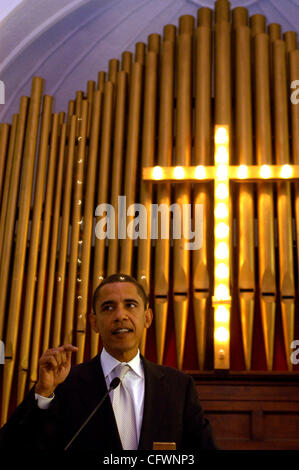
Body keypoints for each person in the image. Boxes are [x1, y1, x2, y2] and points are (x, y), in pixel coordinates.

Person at [0, 273, 216, 453]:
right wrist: (43, 393)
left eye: (130, 305)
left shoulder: (179, 387)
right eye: (108, 308)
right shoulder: (65, 384)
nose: (120, 315)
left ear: (148, 318)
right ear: (94, 322)